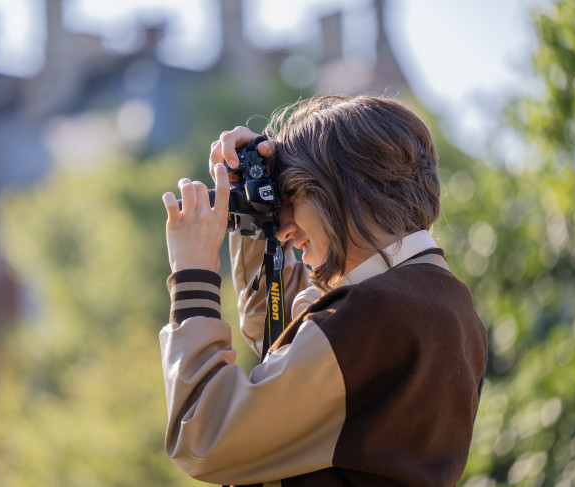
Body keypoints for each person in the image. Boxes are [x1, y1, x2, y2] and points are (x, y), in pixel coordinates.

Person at [160, 95, 488, 487]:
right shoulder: (442, 302)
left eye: (294, 195)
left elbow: (204, 436)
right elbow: (275, 327)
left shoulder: (373, 316)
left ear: (355, 186)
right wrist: (258, 205)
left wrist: (192, 272)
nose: (284, 230)